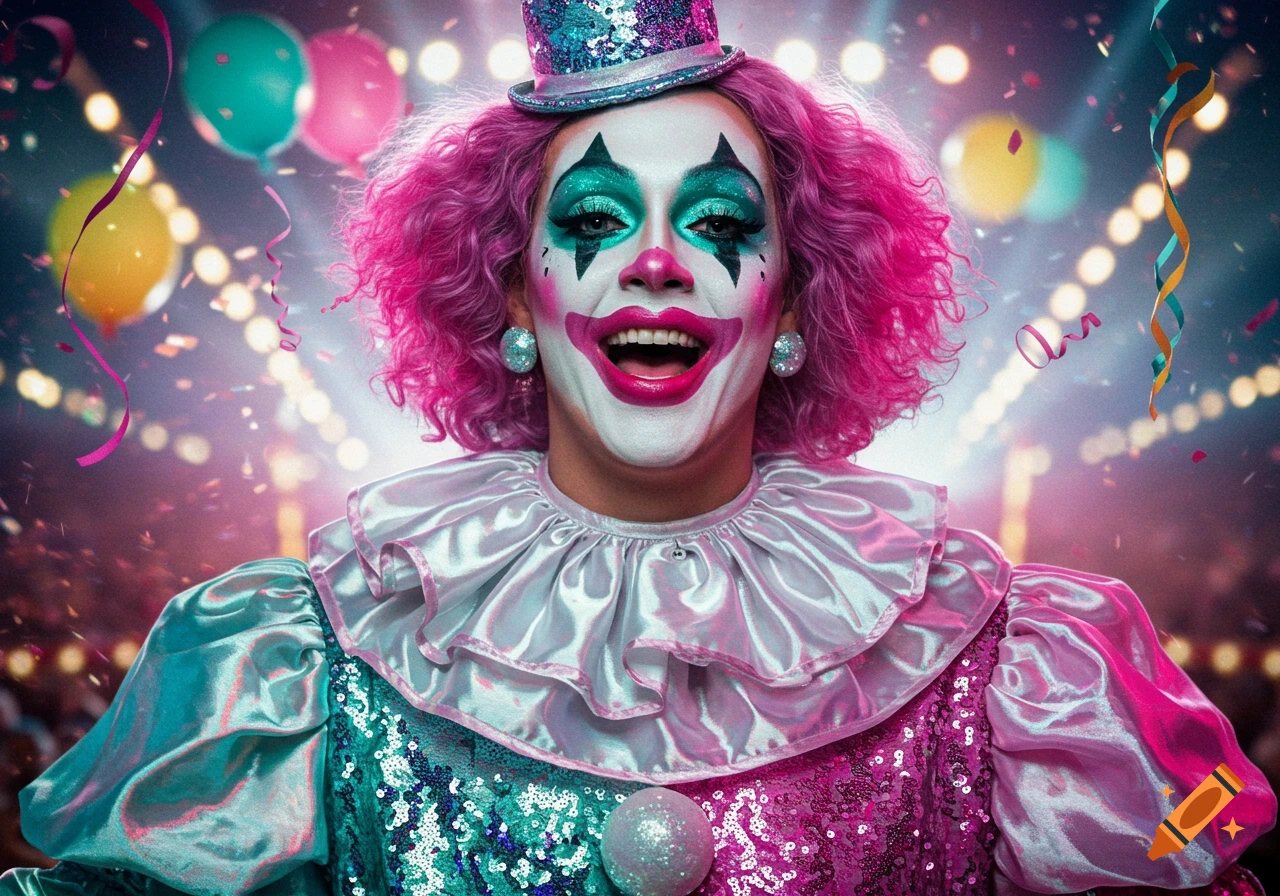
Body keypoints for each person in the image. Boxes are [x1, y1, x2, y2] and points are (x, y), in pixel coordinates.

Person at [4, 1, 1276, 893]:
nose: (656, 260)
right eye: (598, 217)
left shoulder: (1008, 664)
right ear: (511, 296)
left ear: (789, 301)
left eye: (719, 218)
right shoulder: (301, 654)